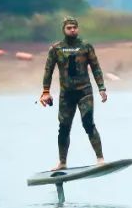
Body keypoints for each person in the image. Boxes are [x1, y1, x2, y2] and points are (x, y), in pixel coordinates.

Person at [39, 17, 108, 170]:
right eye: (69, 28)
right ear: (64, 30)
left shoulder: (86, 46)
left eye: (74, 27)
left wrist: (101, 88)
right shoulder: (56, 48)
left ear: (78, 29)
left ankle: (100, 158)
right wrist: (45, 92)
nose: (72, 30)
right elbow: (48, 71)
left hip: (84, 92)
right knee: (63, 127)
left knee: (88, 123)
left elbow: (96, 68)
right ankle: (62, 162)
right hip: (66, 94)